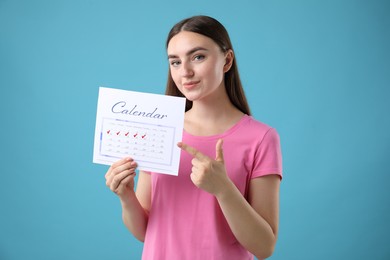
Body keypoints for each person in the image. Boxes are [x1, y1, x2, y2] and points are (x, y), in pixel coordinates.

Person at [105, 15, 282, 260]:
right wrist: (126, 196)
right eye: (175, 62)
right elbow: (146, 232)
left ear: (227, 60)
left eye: (198, 57)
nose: (185, 72)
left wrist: (224, 190)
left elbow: (264, 247)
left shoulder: (261, 138)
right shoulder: (159, 128)